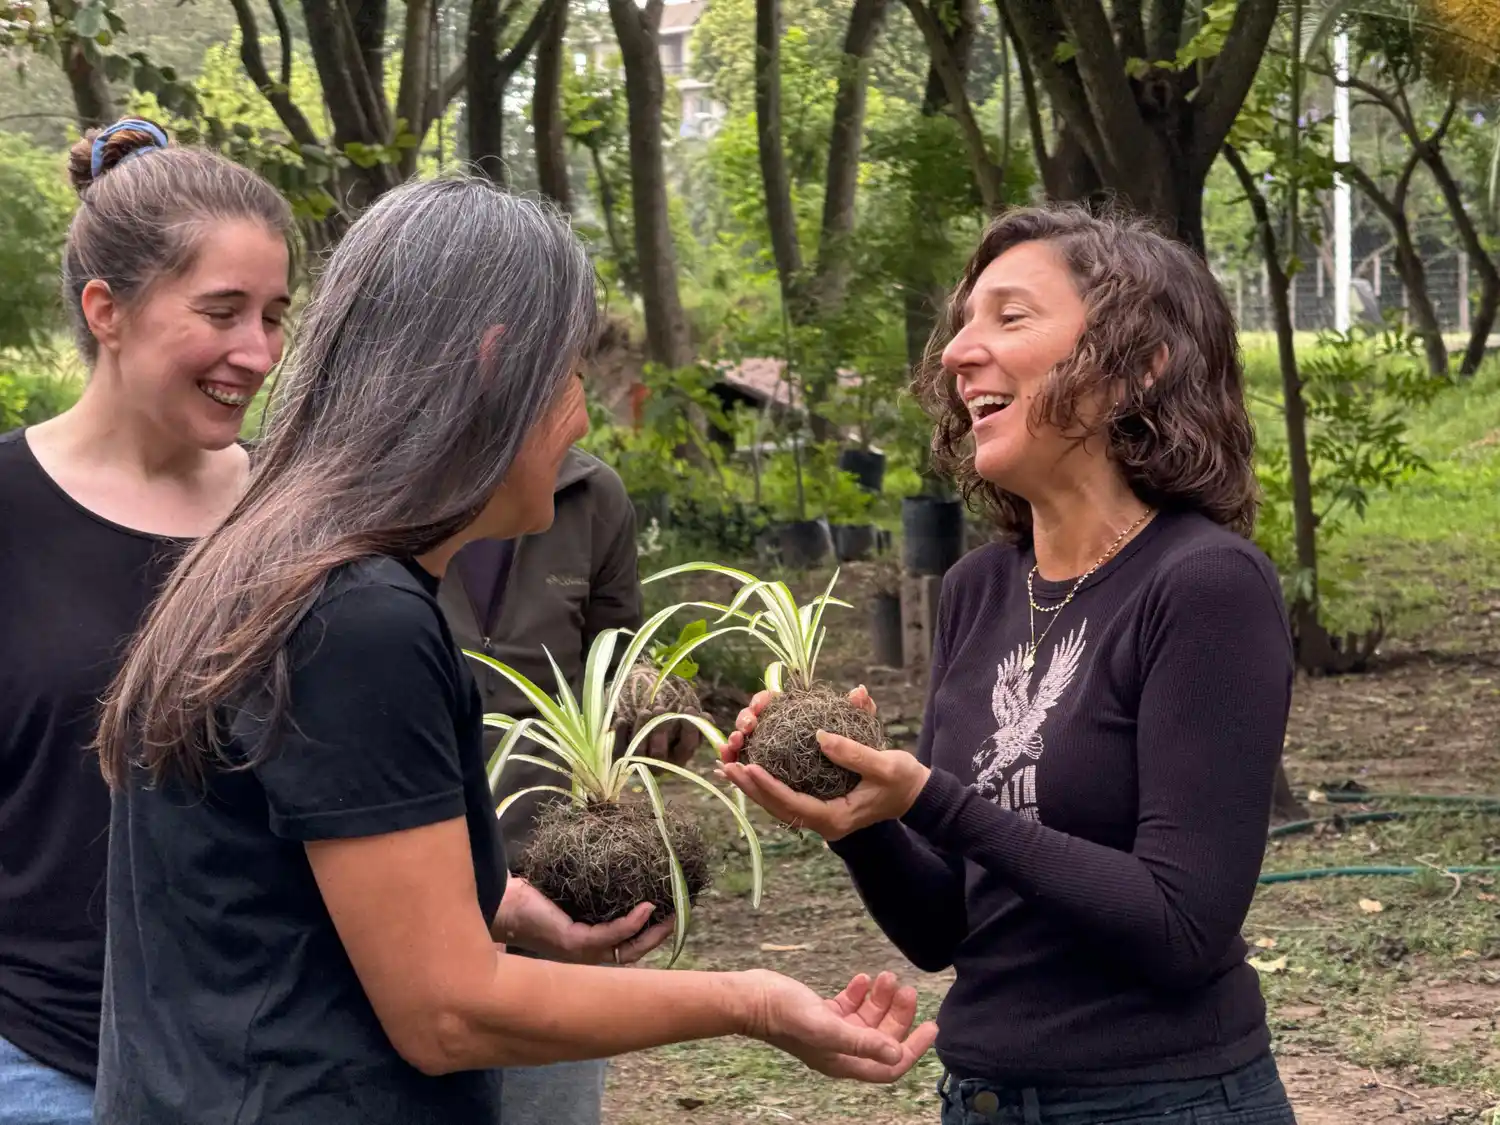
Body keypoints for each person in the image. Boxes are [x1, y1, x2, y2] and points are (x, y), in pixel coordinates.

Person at [91, 176, 935, 1125]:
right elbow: (447, 1012)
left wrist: (505, 902)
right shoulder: (360, 617)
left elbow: (278, 892)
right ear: (496, 368)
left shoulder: (271, 559)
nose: (582, 416)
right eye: (571, 374)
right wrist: (750, 1000)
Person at [718, 205, 1300, 1124]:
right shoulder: (981, 588)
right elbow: (948, 926)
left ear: (1138, 365)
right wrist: (856, 817)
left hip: (1163, 1101)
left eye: (1010, 317)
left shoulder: (1206, 585)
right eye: (964, 322)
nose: (958, 351)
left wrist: (929, 798)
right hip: (983, 1098)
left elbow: (1184, 927)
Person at [0, 118, 294, 1122]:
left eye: (274, 314)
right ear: (106, 308)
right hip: (44, 1062)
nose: (256, 353)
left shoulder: (293, 511)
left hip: (275, 1059)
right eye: (221, 311)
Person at [439, 447, 702, 1125]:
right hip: (410, 875)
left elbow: (614, 664)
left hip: (557, 889)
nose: (578, 406)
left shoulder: (590, 493)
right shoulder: (382, 482)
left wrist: (658, 706)